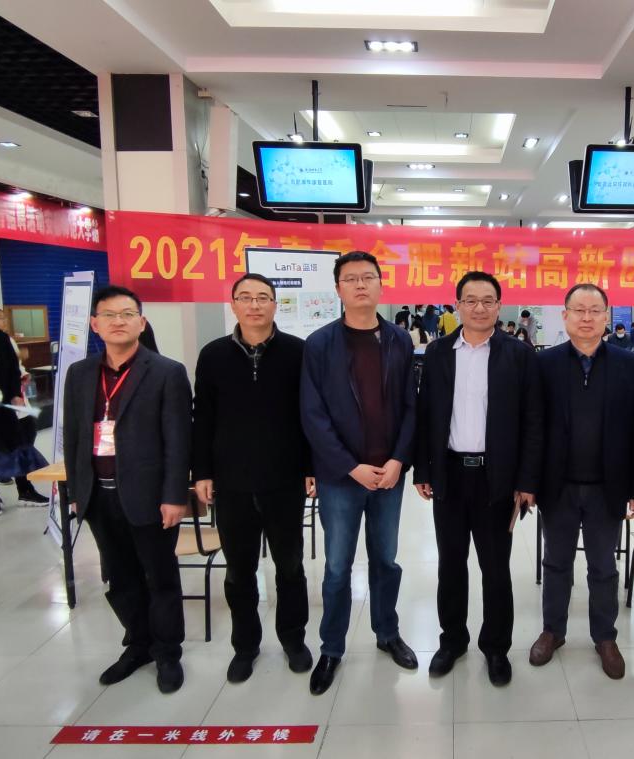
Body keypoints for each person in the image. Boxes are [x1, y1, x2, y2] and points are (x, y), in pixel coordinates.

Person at [414, 271, 542, 686]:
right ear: (458, 306)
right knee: (451, 564)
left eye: (488, 300)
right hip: (449, 474)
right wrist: (423, 469)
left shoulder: (518, 354)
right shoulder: (438, 352)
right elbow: (426, 414)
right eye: (470, 300)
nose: (479, 308)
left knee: (495, 568)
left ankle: (496, 647)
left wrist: (526, 481)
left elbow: (533, 421)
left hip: (497, 478)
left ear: (499, 306)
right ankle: (452, 641)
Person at [62, 285, 191, 694]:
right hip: (98, 495)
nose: (118, 321)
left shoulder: (167, 372)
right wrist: (77, 491)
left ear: (141, 322)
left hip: (150, 496)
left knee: (160, 577)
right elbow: (74, 436)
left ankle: (167, 652)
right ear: (94, 324)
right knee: (119, 577)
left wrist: (174, 495)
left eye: (127, 314)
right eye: (109, 315)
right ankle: (138, 645)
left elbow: (178, 440)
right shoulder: (80, 374)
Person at [301, 252, 418, 696]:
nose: (360, 285)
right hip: (340, 477)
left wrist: (398, 460)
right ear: (338, 289)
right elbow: (312, 415)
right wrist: (350, 466)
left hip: (388, 476)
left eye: (368, 277)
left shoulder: (399, 339)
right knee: (337, 566)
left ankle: (387, 633)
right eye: (350, 279)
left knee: (386, 560)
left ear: (381, 285)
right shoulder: (319, 344)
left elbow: (411, 406)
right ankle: (332, 647)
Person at [192, 273, 314, 685]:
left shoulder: (298, 352)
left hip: (285, 480)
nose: (255, 304)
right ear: (233, 305)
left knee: (290, 567)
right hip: (232, 483)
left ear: (275, 304)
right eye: (246, 297)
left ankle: (293, 639)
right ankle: (245, 646)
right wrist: (202, 471)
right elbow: (202, 417)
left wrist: (311, 467)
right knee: (239, 571)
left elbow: (310, 415)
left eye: (263, 297)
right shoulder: (213, 355)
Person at [530, 284, 634, 679]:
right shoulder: (544, 364)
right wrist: (529, 483)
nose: (586, 317)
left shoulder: (629, 366)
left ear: (606, 316)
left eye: (595, 310)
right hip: (557, 487)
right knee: (556, 563)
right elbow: (533, 428)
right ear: (565, 316)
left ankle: (605, 637)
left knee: (603, 567)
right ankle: (553, 631)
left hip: (607, 488)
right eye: (578, 310)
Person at [0, 304, 48, 508]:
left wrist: (15, 391)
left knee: (21, 441)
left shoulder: (1, 339)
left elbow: (13, 367)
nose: (2, 322)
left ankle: (24, 488)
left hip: (8, 404)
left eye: (1, 318)